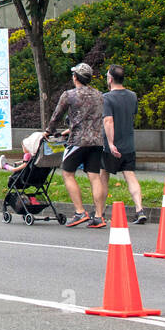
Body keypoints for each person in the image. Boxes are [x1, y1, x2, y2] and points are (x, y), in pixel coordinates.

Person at [43, 62, 107, 228]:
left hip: (78, 141)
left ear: (76, 77)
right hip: (97, 140)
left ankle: (80, 212)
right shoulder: (99, 95)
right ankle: (99, 216)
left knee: (68, 173)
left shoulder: (69, 95)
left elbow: (57, 115)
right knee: (94, 176)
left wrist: (49, 131)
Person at [100, 64, 147, 225]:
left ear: (111, 79)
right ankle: (139, 209)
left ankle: (101, 212)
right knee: (130, 175)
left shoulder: (106, 98)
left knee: (103, 177)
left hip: (109, 146)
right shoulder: (133, 96)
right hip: (128, 145)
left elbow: (108, 120)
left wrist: (111, 143)